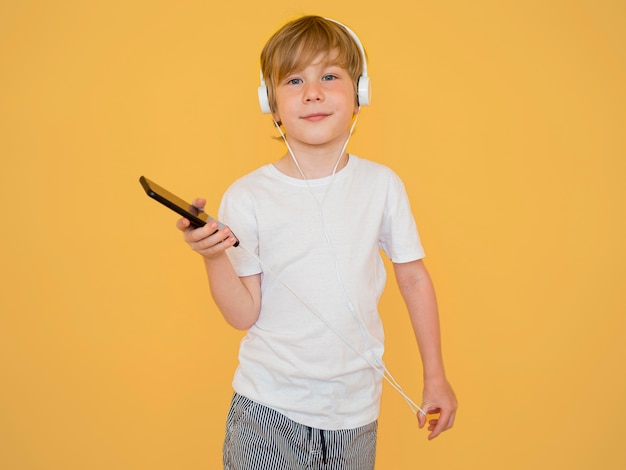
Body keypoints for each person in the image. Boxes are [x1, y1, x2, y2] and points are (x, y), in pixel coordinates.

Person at [177, 15, 457, 470]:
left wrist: (435, 375)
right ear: (271, 102)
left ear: (359, 95)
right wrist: (213, 258)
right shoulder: (247, 196)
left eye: (330, 76)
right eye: (294, 80)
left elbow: (413, 279)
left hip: (355, 415)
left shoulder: (382, 185)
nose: (313, 92)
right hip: (266, 410)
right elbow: (243, 314)